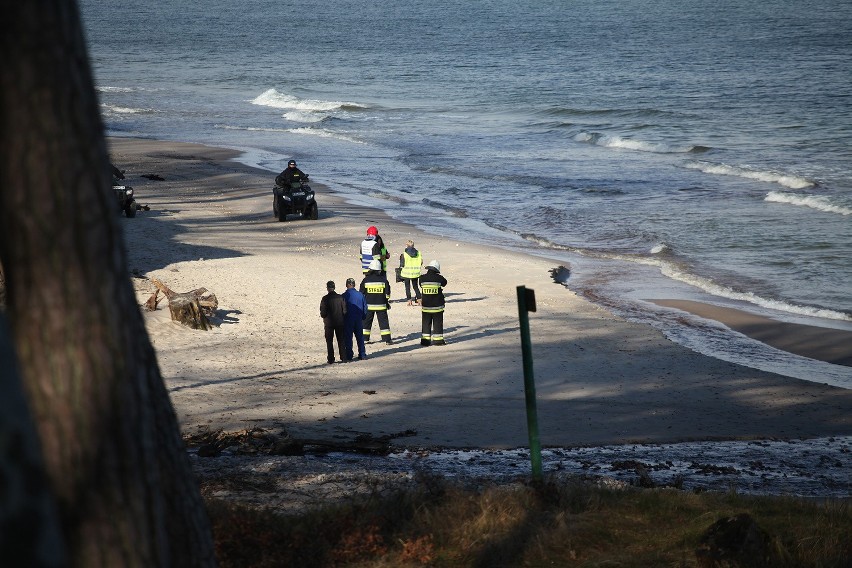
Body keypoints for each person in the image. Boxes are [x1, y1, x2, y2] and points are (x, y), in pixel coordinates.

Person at [360, 259, 393, 344]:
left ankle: (365, 339)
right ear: (379, 270)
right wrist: (386, 301)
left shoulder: (366, 280)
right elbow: (387, 294)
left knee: (366, 322)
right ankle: (387, 340)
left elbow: (361, 293)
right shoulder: (384, 280)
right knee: (384, 322)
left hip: (368, 306)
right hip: (381, 305)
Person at [419, 260, 448, 346]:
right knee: (437, 323)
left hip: (426, 307)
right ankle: (438, 341)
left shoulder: (422, 278)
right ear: (436, 270)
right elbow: (445, 283)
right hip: (437, 307)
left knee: (426, 324)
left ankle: (425, 341)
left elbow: (420, 285)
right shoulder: (439, 278)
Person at [319, 280, 347, 364]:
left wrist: (324, 316)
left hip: (329, 324)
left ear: (327, 288)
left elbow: (323, 313)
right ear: (334, 287)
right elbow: (345, 311)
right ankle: (343, 357)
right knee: (341, 340)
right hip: (340, 322)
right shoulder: (340, 297)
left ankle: (331, 359)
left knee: (329, 342)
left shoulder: (325, 299)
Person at [342, 277, 368, 361]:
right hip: (358, 319)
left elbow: (342, 309)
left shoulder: (344, 296)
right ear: (354, 285)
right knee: (360, 338)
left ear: (346, 285)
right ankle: (362, 354)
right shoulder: (360, 295)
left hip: (348, 320)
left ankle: (349, 356)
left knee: (348, 338)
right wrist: (363, 317)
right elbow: (365, 307)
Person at [399, 239, 423, 305]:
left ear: (407, 245)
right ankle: (419, 300)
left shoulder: (404, 254)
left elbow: (402, 265)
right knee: (415, 286)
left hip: (406, 273)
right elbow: (421, 262)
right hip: (415, 272)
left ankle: (409, 301)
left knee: (407, 287)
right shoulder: (418, 253)